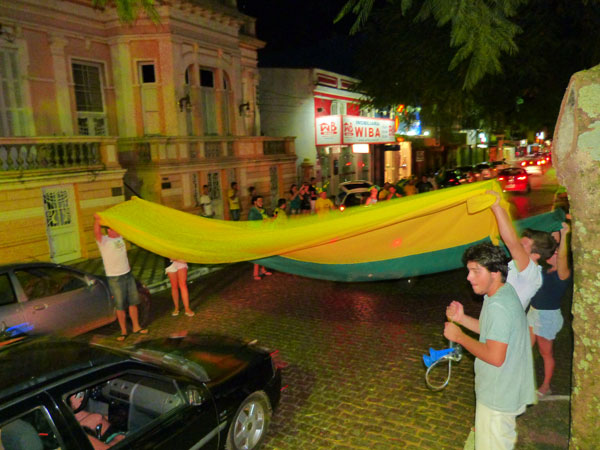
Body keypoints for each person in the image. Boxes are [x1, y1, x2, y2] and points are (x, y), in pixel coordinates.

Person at [444, 243, 535, 450]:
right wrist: (462, 319)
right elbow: (493, 333)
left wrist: (459, 337)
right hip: (507, 389)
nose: (469, 277)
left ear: (494, 273)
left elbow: (495, 356)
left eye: (476, 271)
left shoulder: (498, 306)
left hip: (498, 398)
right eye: (469, 271)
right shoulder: (503, 292)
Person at [488, 190, 557, 309]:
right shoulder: (522, 268)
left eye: (524, 244)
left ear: (536, 255)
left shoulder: (531, 272)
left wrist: (496, 206)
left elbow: (512, 242)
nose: (519, 244)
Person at [528, 222, 571, 397]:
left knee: (545, 352)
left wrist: (565, 234)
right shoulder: (543, 271)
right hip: (533, 312)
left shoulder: (563, 274)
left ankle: (546, 386)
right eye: (551, 253)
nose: (552, 255)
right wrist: (555, 230)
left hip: (547, 316)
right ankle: (522, 380)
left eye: (555, 253)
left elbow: (561, 257)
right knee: (524, 348)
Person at [94, 214, 148, 342]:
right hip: (115, 278)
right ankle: (123, 331)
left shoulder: (120, 238)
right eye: (115, 229)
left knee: (133, 302)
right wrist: (97, 221)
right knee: (120, 305)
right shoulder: (104, 241)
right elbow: (96, 232)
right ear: (109, 231)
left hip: (127, 274)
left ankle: (136, 327)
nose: (118, 231)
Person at [248, 195, 272, 280]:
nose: (261, 202)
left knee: (264, 253)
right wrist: (262, 223)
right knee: (258, 254)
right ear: (255, 202)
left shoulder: (263, 210)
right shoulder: (253, 212)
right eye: (259, 201)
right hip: (257, 235)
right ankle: (255, 273)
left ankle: (263, 269)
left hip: (263, 234)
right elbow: (251, 224)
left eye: (262, 201)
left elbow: (266, 219)